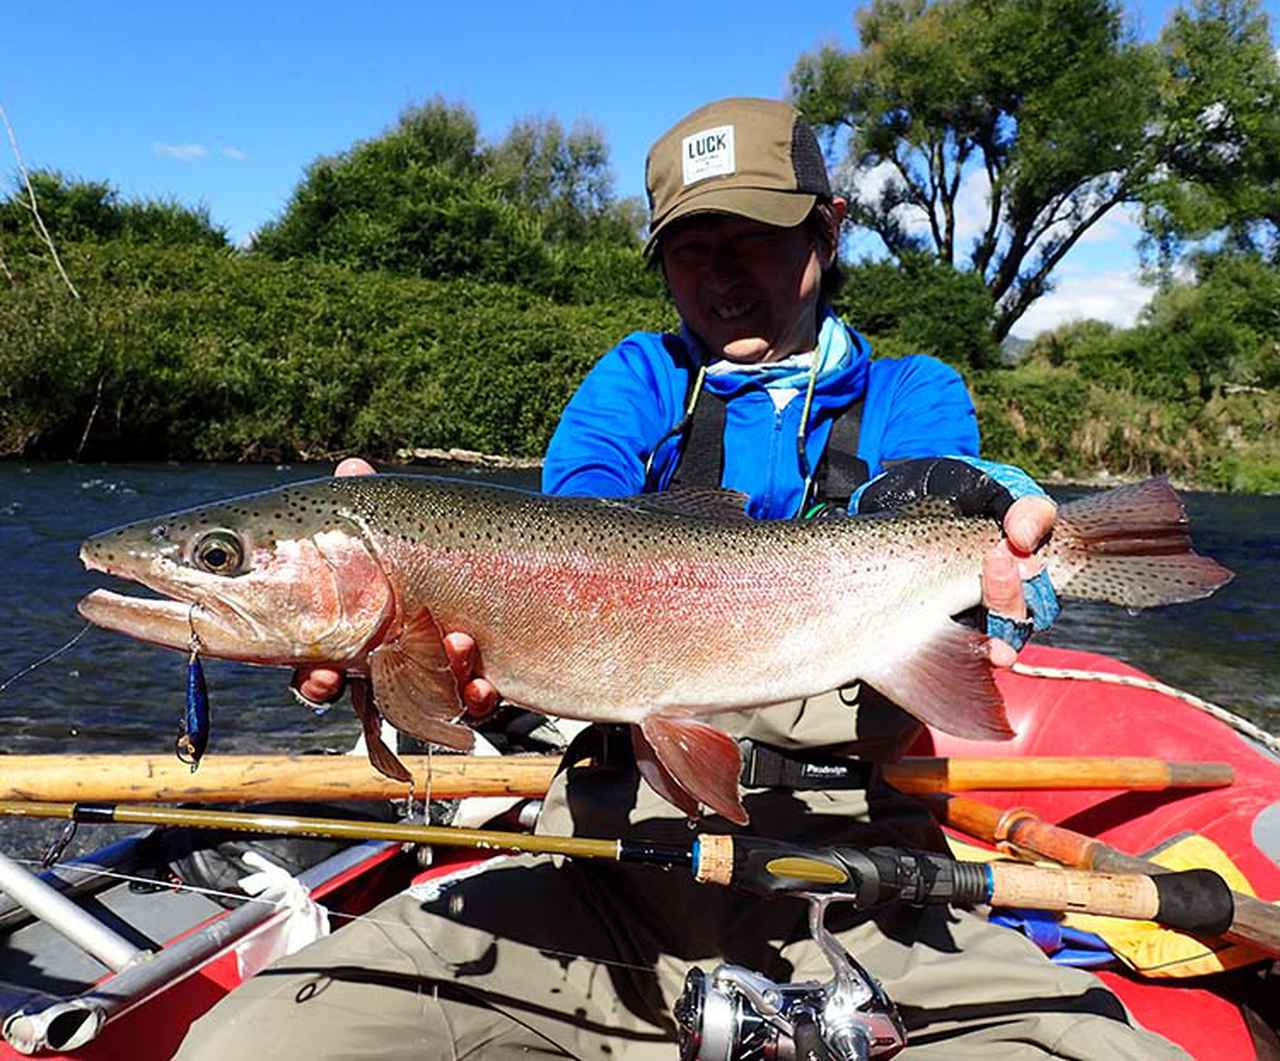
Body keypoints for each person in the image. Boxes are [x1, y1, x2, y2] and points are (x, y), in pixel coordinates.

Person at [175, 98, 1187, 1059]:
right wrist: (406, 620)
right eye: (691, 249)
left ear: (826, 229)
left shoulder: (910, 390)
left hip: (865, 882)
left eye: (754, 237)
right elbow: (573, 527)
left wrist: (987, 503)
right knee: (249, 1040)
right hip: (608, 867)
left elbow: (940, 502)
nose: (723, 275)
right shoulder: (633, 381)